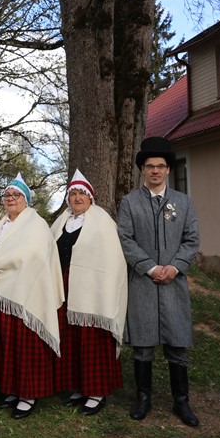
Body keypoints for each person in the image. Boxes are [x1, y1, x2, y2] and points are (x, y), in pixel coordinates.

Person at [0, 173, 64, 419]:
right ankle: (11, 390)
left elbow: (33, 256)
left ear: (26, 199)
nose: (11, 198)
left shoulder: (36, 225)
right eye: (7, 195)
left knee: (24, 347)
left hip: (24, 295)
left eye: (16, 195)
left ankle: (28, 395)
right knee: (5, 346)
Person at [118, 137, 201, 427]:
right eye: (150, 166)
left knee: (177, 341)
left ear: (168, 170)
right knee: (142, 343)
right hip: (143, 282)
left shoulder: (183, 202)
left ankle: (182, 401)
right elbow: (125, 239)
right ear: (143, 169)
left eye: (160, 166)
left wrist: (175, 267)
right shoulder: (129, 202)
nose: (155, 170)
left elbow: (191, 240)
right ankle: (143, 398)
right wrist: (150, 268)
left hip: (173, 283)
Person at [50, 170, 127, 415]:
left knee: (92, 339)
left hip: (94, 290)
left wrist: (105, 290)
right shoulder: (60, 222)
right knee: (70, 337)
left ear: (90, 197)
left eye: (82, 193)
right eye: (73, 194)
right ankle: (77, 387)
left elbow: (112, 259)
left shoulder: (102, 221)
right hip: (65, 284)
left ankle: (96, 392)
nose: (77, 198)